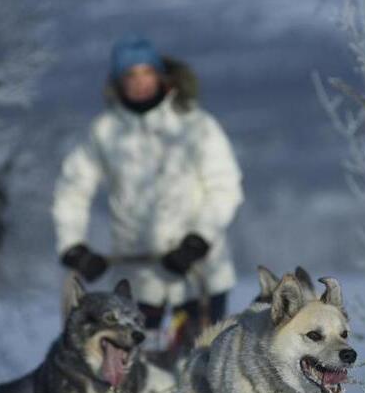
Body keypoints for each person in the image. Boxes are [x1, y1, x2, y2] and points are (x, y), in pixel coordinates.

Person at [52, 35, 243, 345]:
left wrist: (198, 240)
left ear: (160, 75)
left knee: (204, 368)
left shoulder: (195, 124)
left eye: (146, 73)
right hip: (138, 277)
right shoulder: (104, 131)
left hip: (199, 274)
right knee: (135, 371)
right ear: (117, 82)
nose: (139, 82)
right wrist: (74, 246)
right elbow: (72, 189)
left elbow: (225, 186)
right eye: (130, 75)